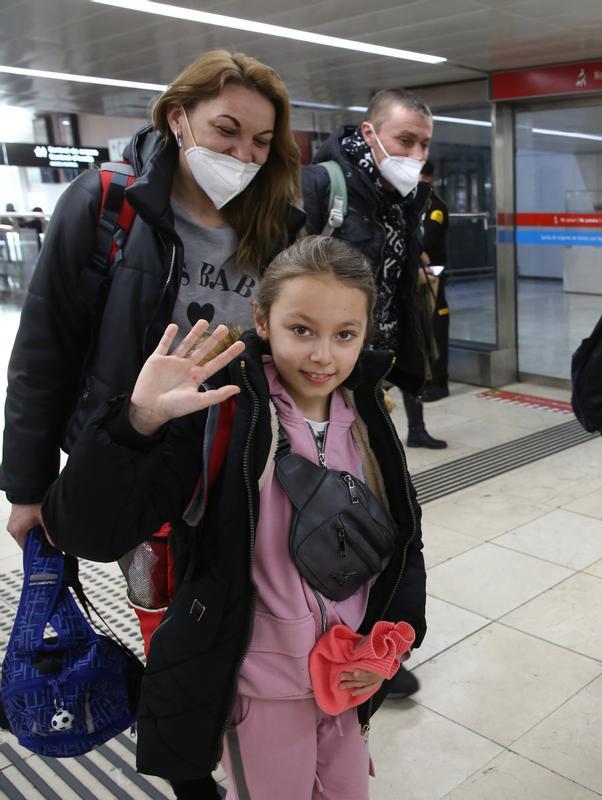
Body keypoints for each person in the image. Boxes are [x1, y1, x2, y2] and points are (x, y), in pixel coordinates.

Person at [41, 236, 427, 799]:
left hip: (344, 675)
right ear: (262, 320)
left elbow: (403, 542)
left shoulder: (365, 413)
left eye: (345, 335)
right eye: (302, 329)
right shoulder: (222, 411)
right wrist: (136, 423)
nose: (323, 356)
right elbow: (88, 532)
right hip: (256, 686)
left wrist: (393, 641)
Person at [2, 49, 304, 551]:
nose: (242, 155)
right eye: (226, 130)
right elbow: (42, 353)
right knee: (160, 608)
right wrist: (27, 488)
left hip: (234, 456)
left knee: (229, 614)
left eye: (261, 142)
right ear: (178, 117)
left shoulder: (277, 228)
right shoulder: (108, 204)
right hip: (131, 446)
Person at [301, 88, 446, 451]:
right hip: (327, 363)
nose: (417, 156)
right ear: (369, 133)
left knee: (374, 474)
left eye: (424, 145)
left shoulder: (407, 200)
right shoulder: (320, 184)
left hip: (380, 361)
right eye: (406, 141)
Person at [418, 161, 451, 402]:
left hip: (433, 276)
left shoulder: (435, 207)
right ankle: (425, 378)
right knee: (420, 329)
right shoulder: (409, 204)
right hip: (415, 276)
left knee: (436, 327)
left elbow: (427, 238)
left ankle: (439, 382)